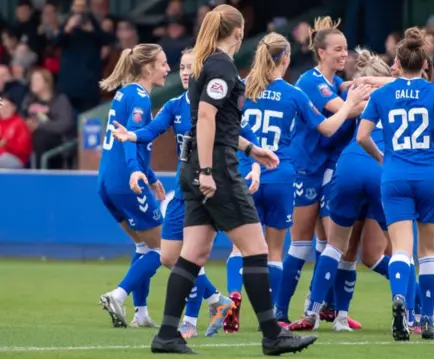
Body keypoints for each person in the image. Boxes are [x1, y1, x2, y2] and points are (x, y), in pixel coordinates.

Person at [150, 6, 317, 355]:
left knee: (193, 252)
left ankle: (166, 334)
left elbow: (216, 121)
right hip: (218, 170)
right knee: (257, 249)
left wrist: (251, 148)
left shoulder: (205, 63)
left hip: (196, 165)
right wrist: (210, 171)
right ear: (238, 32)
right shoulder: (221, 65)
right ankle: (273, 335)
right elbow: (208, 118)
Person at [111, 48, 235, 338]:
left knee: (192, 255)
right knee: (168, 257)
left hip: (209, 187)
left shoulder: (215, 106)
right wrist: (131, 135)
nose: (184, 72)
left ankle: (190, 323)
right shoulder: (174, 105)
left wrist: (253, 161)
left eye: (190, 67)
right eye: (181, 67)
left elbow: (242, 136)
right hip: (183, 189)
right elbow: (151, 130)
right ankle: (217, 301)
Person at [356, 28, 434, 341]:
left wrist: (382, 157)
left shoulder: (381, 94)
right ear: (424, 63)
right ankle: (427, 321)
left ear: (398, 62)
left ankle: (401, 304)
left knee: (401, 249)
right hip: (431, 175)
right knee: (428, 250)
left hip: (395, 175)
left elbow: (362, 135)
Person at [276, 16, 368, 328]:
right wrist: (360, 97)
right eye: (338, 50)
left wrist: (354, 90)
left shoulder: (333, 83)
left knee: (332, 241)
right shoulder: (310, 82)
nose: (345, 55)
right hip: (306, 167)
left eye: (346, 50)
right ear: (322, 53)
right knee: (301, 244)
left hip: (331, 169)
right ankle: (279, 312)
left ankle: (325, 308)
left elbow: (347, 102)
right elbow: (345, 111)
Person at [97, 43, 171, 328]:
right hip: (125, 181)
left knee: (143, 247)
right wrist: (135, 173)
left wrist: (150, 176)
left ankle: (140, 314)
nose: (167, 69)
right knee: (164, 250)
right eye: (163, 63)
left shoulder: (124, 94)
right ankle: (118, 294)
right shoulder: (140, 97)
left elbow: (129, 145)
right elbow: (129, 142)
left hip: (106, 182)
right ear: (148, 66)